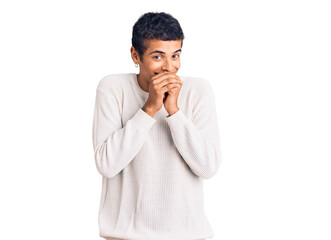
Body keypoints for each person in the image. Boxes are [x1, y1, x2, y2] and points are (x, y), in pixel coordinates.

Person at [92, 11, 222, 240]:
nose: (169, 67)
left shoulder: (199, 90)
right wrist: (149, 108)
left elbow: (208, 167)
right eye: (158, 56)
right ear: (135, 55)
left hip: (187, 235)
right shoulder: (112, 88)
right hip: (124, 235)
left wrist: (174, 111)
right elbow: (107, 164)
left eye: (176, 55)